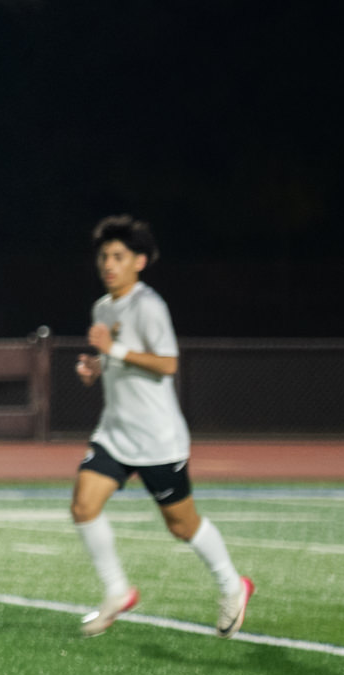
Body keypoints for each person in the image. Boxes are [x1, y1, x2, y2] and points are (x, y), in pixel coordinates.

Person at [71, 215, 254, 637]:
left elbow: (168, 363)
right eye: (103, 257)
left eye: (118, 256)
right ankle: (117, 590)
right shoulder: (103, 307)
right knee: (83, 506)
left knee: (181, 525)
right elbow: (121, 358)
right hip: (115, 433)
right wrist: (96, 366)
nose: (108, 264)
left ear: (140, 261)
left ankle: (233, 585)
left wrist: (112, 348)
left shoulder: (149, 306)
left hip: (157, 439)